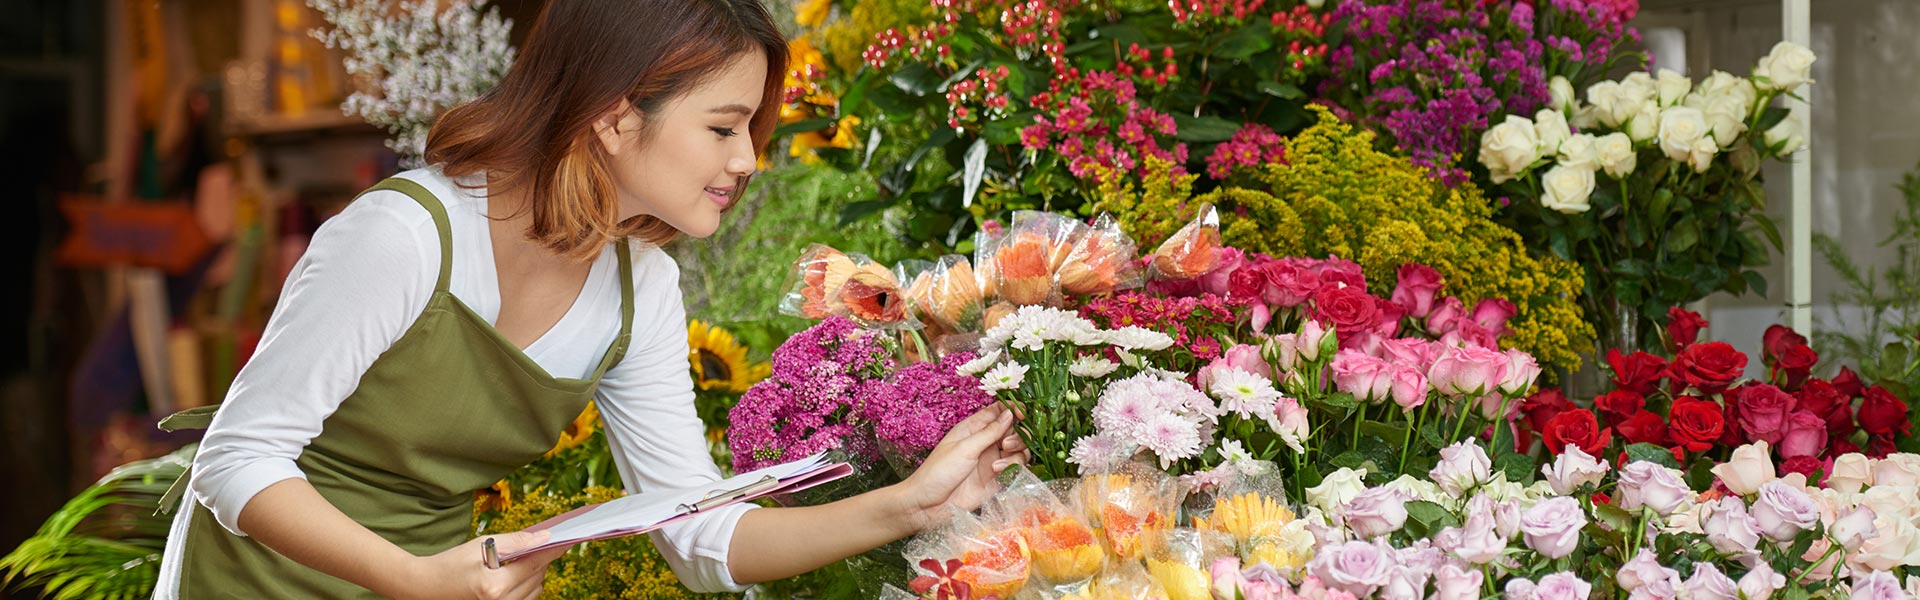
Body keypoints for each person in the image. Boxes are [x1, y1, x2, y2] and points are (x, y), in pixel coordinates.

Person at [152, 0, 1026, 597]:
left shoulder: (639, 290)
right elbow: (237, 460)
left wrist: (911, 502)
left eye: (749, 130)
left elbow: (699, 537)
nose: (747, 161)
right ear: (614, 116)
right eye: (722, 127)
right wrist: (412, 578)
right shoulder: (407, 235)